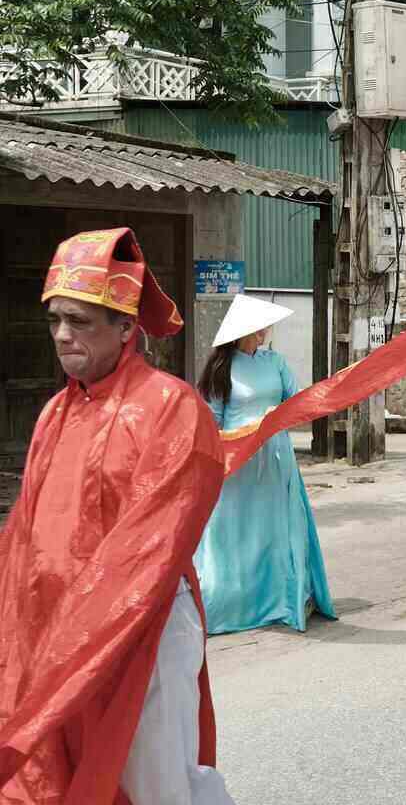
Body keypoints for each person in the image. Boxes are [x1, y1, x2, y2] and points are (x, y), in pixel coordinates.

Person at [0, 227, 234, 803]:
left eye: (79, 321)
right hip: (58, 636)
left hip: (142, 630)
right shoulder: (55, 413)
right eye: (55, 319)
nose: (61, 335)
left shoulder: (172, 407)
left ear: (126, 327)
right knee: (64, 772)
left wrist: (81, 635)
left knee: (156, 782)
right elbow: (25, 539)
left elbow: (150, 546)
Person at [194, 293, 336, 633]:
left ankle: (284, 597)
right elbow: (212, 420)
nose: (263, 335)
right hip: (237, 459)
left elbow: (297, 400)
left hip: (275, 457)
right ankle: (230, 601)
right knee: (234, 531)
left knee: (277, 527)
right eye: (258, 329)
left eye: (265, 329)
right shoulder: (221, 368)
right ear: (241, 331)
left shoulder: (276, 363)